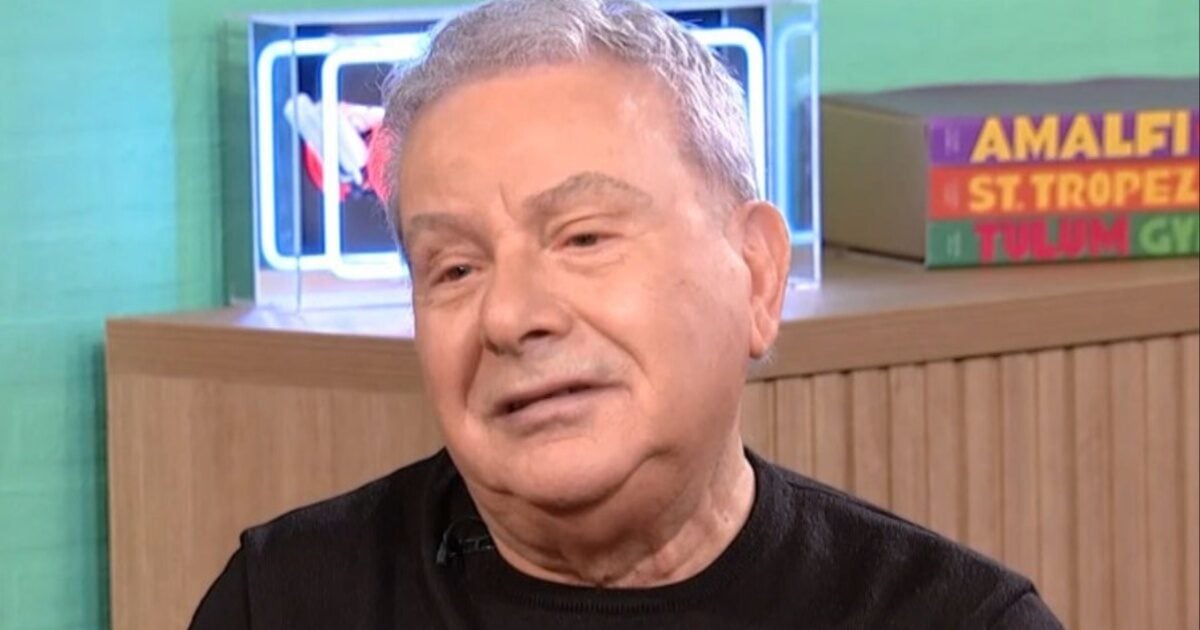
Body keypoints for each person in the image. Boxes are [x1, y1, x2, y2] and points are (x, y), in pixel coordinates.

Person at [191, 0, 1063, 627]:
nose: (511, 317)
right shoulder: (284, 603)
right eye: (454, 268)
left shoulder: (951, 618)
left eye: (583, 238)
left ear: (757, 275)